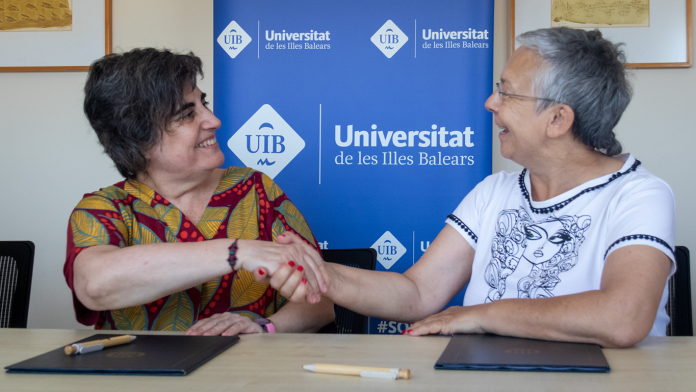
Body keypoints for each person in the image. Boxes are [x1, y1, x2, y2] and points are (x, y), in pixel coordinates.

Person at [271, 27, 676, 348]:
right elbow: (418, 292)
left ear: (558, 120)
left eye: (506, 91)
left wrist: (481, 315)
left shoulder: (639, 194)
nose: (489, 103)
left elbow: (623, 317)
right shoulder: (495, 190)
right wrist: (323, 275)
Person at [63, 48, 333, 336]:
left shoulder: (256, 190)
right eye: (188, 114)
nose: (214, 120)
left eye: (203, 104)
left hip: (249, 374)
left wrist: (265, 326)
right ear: (138, 136)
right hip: (143, 378)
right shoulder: (104, 209)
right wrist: (238, 252)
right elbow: (94, 285)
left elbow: (322, 300)